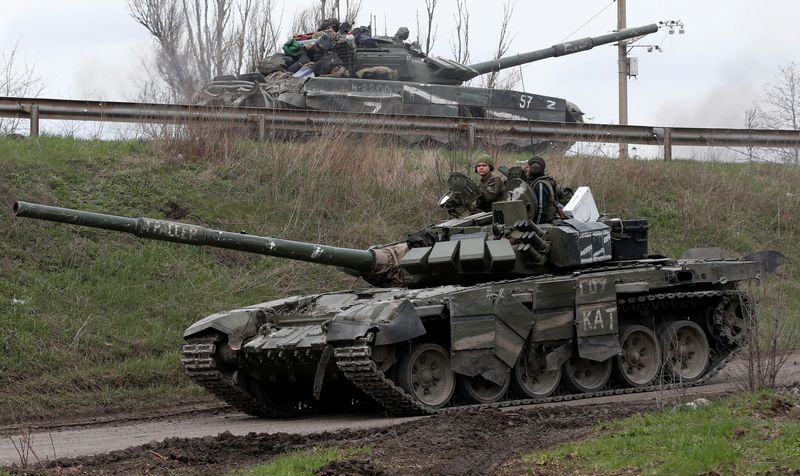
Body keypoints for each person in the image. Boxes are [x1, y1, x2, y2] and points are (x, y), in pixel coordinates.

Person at [523, 156, 562, 223]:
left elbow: (541, 210)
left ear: (533, 169)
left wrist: (537, 225)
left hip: (542, 222)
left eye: (528, 167)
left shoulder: (540, 185)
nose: (526, 169)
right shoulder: (537, 181)